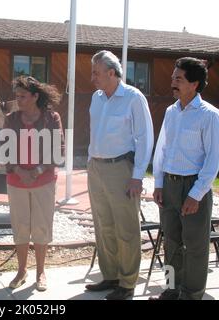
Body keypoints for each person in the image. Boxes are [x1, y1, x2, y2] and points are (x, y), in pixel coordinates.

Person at [85, 50, 154, 300]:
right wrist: (92, 160)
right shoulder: (97, 97)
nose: (92, 77)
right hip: (97, 168)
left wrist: (137, 176)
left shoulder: (133, 98)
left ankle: (127, 283)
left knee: (126, 228)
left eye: (97, 72)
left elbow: (145, 138)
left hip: (121, 169)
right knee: (103, 225)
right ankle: (111, 275)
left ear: (112, 73)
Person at [151, 57, 219, 300]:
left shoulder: (210, 115)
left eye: (178, 79)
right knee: (170, 244)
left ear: (195, 84)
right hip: (169, 185)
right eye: (173, 78)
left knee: (196, 247)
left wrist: (196, 194)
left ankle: (191, 295)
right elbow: (162, 149)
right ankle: (171, 290)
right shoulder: (171, 112)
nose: (173, 82)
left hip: (193, 188)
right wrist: (158, 183)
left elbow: (213, 161)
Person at [3, 75, 64, 292]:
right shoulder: (11, 119)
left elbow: (59, 149)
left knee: (40, 226)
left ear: (35, 96)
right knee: (20, 226)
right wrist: (19, 170)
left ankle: (40, 271)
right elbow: (4, 151)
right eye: (17, 96)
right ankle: (21, 270)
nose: (18, 99)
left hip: (44, 181)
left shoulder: (51, 118)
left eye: (23, 96)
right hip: (16, 181)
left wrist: (38, 170)